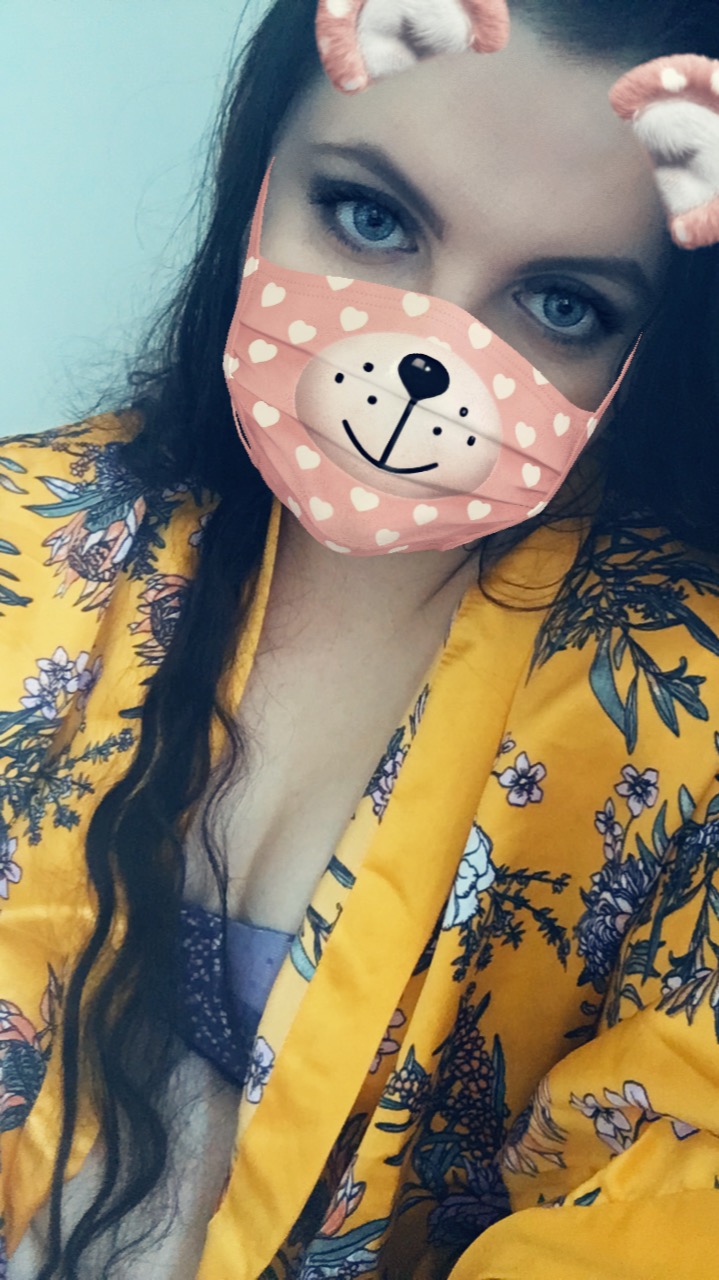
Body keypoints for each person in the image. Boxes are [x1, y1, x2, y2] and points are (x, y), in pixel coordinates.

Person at [3, 0, 719, 1275]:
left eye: (560, 302)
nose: (426, 346)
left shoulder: (680, 722)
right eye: (371, 218)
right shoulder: (25, 536)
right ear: (259, 171)